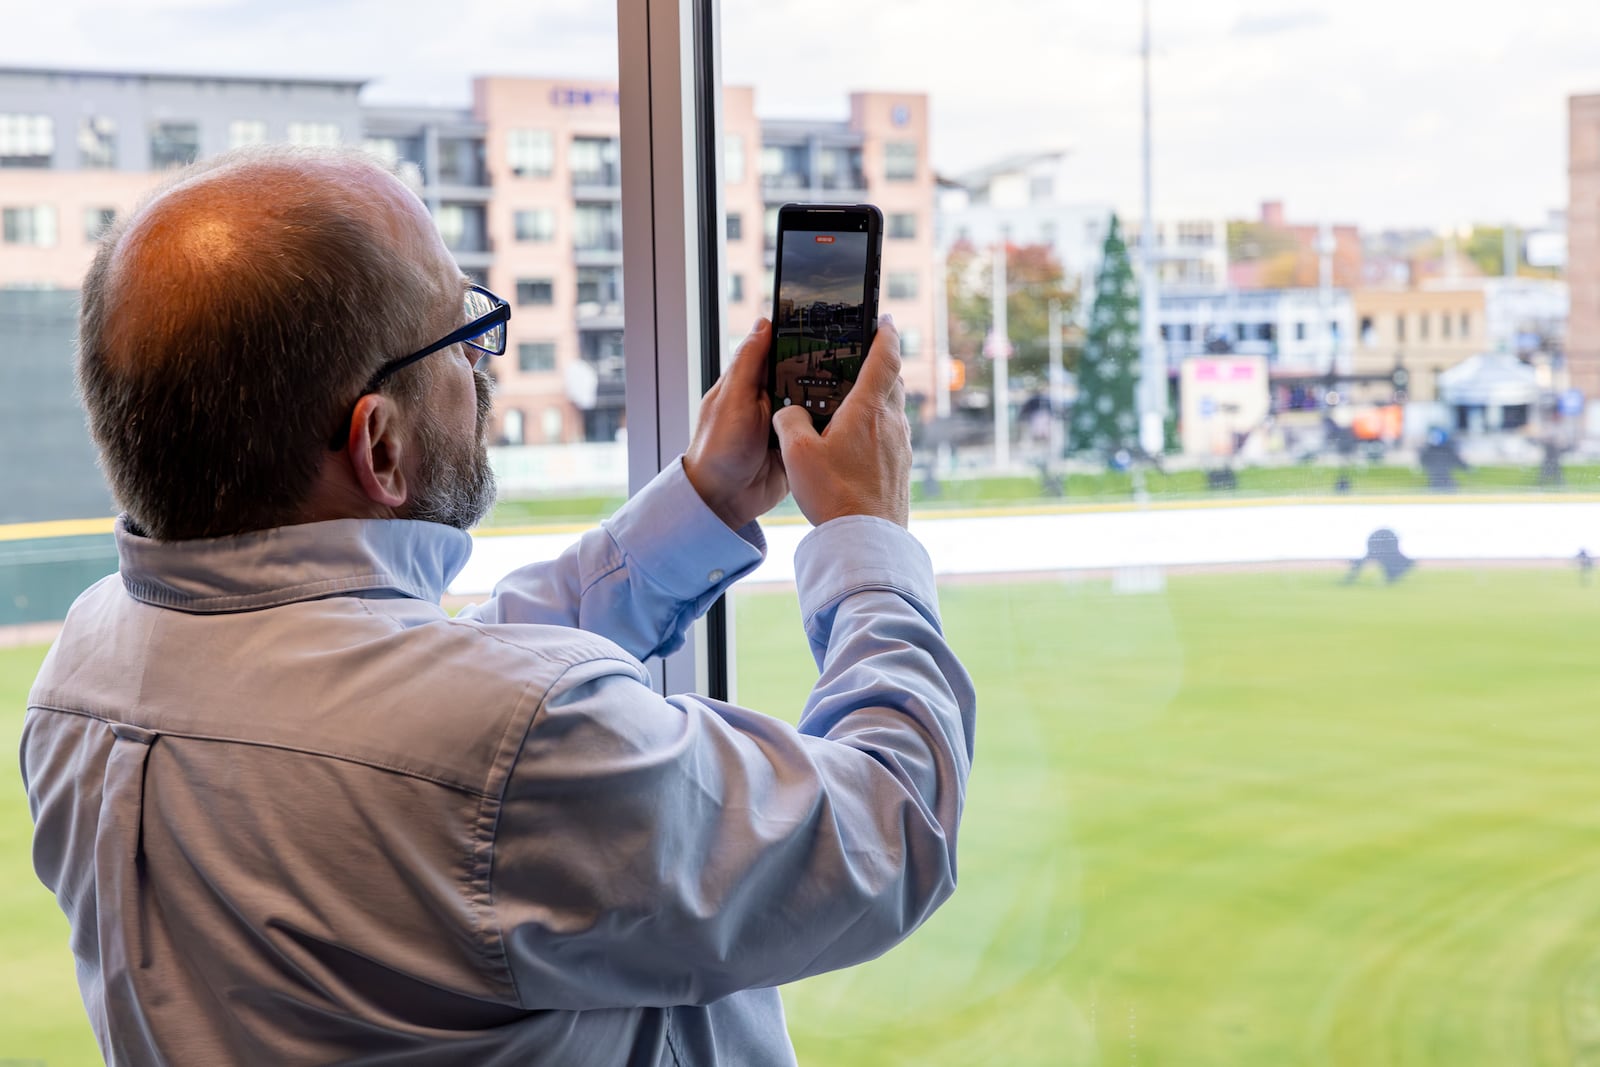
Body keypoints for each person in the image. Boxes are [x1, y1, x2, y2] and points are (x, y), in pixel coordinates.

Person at [21, 146, 976, 1066]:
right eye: (460, 332)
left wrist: (706, 501)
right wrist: (865, 531)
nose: (486, 359)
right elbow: (891, 830)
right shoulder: (503, 748)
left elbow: (411, 705)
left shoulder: (83, 667)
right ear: (380, 445)